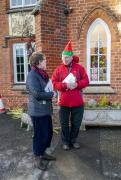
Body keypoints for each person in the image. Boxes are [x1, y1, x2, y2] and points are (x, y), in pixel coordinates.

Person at [52, 41, 89, 150]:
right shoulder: (58, 70)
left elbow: (86, 81)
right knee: (64, 124)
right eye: (63, 57)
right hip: (64, 103)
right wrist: (65, 85)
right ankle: (66, 142)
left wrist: (77, 84)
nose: (65, 59)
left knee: (76, 123)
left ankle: (74, 140)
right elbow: (54, 83)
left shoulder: (79, 68)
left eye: (67, 57)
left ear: (72, 57)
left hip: (78, 103)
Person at [26, 52, 56, 170]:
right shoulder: (32, 75)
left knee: (48, 133)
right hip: (37, 111)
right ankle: (37, 157)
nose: (46, 62)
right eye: (44, 60)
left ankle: (42, 152)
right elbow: (37, 94)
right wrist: (51, 94)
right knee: (40, 135)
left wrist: (50, 90)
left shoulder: (42, 74)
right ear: (38, 62)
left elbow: (44, 88)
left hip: (45, 110)